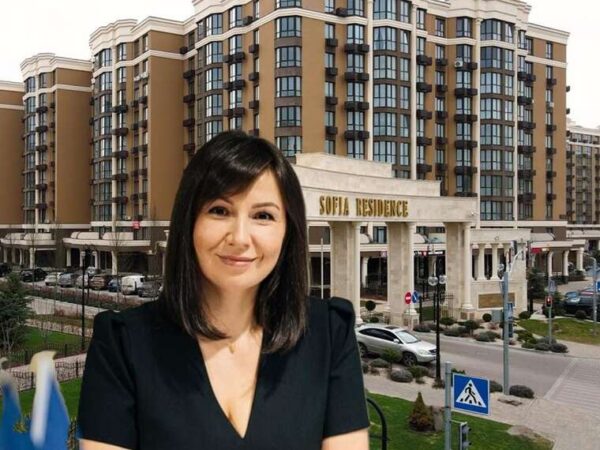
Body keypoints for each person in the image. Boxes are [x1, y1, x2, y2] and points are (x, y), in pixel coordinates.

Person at [77, 131, 370, 450]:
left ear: (288, 230)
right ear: (189, 222)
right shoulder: (122, 344)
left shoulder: (329, 333)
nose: (240, 238)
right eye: (219, 210)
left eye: (263, 216)